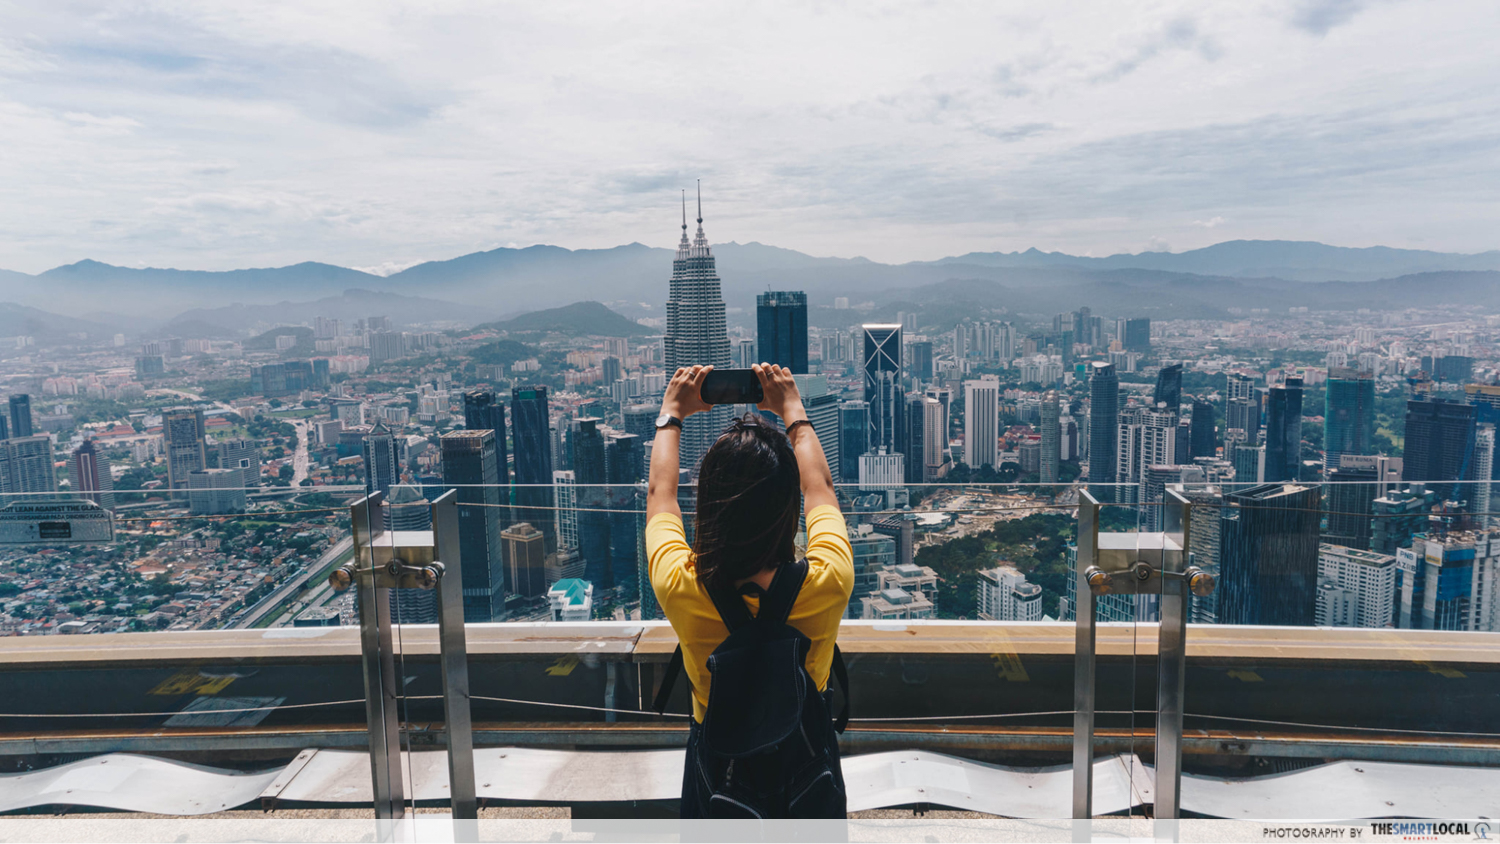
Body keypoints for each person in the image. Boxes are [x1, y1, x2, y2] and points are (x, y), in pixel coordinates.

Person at [645, 363, 854, 818]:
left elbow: (661, 493)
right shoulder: (828, 579)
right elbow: (821, 487)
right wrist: (793, 412)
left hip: (719, 765)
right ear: (787, 508)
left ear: (709, 503)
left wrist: (671, 413)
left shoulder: (681, 583)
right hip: (807, 759)